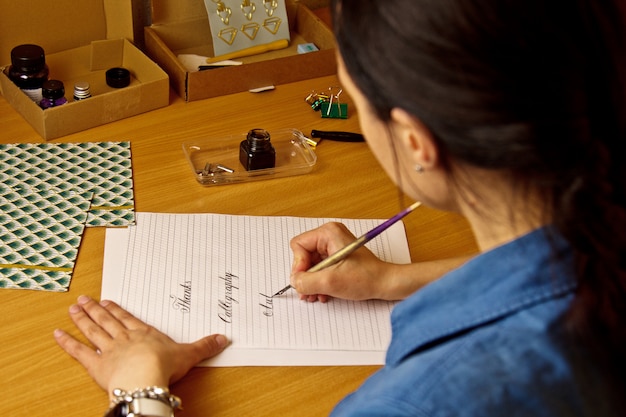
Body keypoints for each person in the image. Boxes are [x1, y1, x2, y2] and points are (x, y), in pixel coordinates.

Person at [54, 0, 626, 415]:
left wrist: (142, 391)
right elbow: (538, 275)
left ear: (415, 142)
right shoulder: (599, 226)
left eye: (354, 102)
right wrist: (391, 280)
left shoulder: (417, 402)